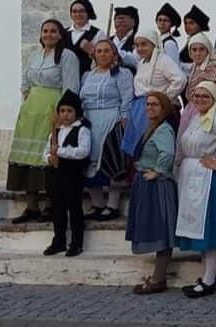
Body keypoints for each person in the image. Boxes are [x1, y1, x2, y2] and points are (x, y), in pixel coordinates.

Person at [8, 19, 80, 224]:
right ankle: (31, 206)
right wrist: (27, 96)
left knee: (47, 155)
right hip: (31, 111)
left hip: (52, 108)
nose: (48, 34)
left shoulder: (67, 56)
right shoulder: (34, 55)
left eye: (53, 31)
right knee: (28, 157)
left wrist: (64, 113)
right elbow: (26, 80)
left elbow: (71, 85)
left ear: (60, 35)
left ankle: (50, 205)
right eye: (45, 31)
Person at [175, 81, 216, 298]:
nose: (200, 99)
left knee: (210, 226)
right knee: (198, 227)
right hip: (192, 176)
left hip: (209, 178)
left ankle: (210, 279)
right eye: (197, 96)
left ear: (214, 98)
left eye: (205, 96)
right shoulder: (194, 118)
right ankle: (205, 274)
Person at [125, 91, 178, 294]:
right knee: (156, 227)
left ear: (164, 107)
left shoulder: (163, 129)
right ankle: (158, 276)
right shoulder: (152, 127)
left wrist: (157, 171)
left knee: (161, 228)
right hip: (145, 181)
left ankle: (158, 278)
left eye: (155, 104)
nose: (150, 108)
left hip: (157, 185)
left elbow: (168, 152)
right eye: (148, 104)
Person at [81, 40, 134, 221]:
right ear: (94, 54)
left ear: (114, 54)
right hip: (89, 121)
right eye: (99, 51)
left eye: (106, 51)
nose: (102, 54)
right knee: (88, 162)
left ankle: (112, 205)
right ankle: (97, 204)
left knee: (111, 160)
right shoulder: (87, 75)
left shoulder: (122, 74)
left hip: (111, 119)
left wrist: (124, 120)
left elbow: (127, 98)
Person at [121, 30, 186, 161]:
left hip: (155, 108)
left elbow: (180, 79)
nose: (140, 48)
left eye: (144, 44)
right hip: (140, 108)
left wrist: (163, 99)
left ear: (154, 44)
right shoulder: (142, 63)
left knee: (151, 144)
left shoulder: (163, 60)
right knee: (138, 146)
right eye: (137, 45)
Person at [42, 89, 90, 257]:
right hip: (55, 175)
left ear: (76, 113)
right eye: (62, 111)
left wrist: (60, 152)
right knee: (58, 209)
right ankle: (59, 241)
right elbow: (46, 150)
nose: (66, 115)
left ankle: (76, 243)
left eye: (70, 111)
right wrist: (49, 157)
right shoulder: (56, 131)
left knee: (74, 208)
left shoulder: (82, 130)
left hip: (72, 176)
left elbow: (82, 152)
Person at [65, 0, 107, 76]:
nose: (78, 14)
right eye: (74, 11)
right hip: (65, 78)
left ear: (88, 13)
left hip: (87, 77)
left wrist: (92, 51)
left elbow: (104, 58)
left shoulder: (98, 33)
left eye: (82, 11)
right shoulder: (63, 33)